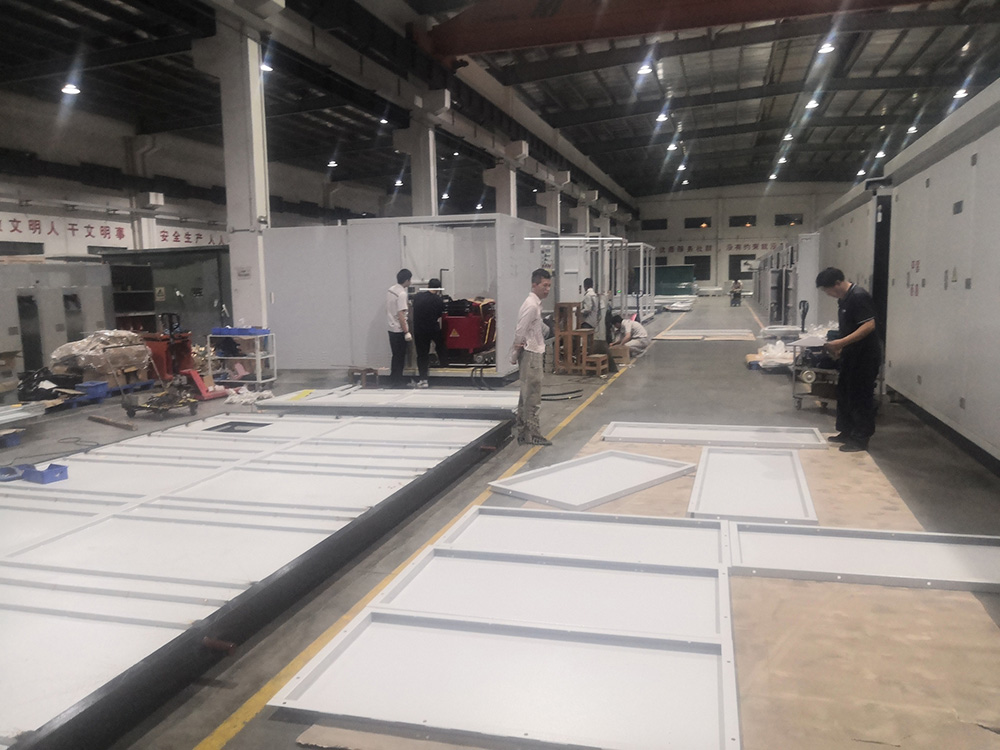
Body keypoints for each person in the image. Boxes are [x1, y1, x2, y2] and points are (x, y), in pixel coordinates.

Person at [816, 267, 881, 453]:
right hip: (851, 354)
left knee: (860, 396)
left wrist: (840, 343)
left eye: (827, 290)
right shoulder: (844, 299)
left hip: (865, 356)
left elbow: (869, 325)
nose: (827, 294)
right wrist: (841, 348)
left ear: (837, 283)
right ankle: (846, 431)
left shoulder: (858, 296)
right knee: (845, 393)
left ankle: (860, 438)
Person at [510, 268, 552, 446]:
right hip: (531, 354)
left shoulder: (535, 304)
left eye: (549, 286)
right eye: (544, 285)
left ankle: (522, 432)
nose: (547, 289)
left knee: (526, 394)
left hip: (533, 351)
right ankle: (533, 434)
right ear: (534, 285)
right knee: (533, 395)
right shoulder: (531, 305)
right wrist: (514, 353)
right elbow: (520, 331)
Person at [412, 278, 447, 388]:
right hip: (433, 328)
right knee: (441, 346)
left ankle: (423, 379)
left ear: (428, 286)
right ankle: (445, 367)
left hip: (419, 330)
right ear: (438, 289)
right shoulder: (438, 300)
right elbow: (440, 314)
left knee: (422, 354)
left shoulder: (417, 297)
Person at [386, 268, 412, 388]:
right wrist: (406, 331)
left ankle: (393, 379)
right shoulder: (402, 294)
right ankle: (398, 381)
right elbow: (401, 314)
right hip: (399, 329)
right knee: (400, 356)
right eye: (410, 280)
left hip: (391, 327)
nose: (410, 282)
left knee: (395, 355)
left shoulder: (391, 290)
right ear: (406, 280)